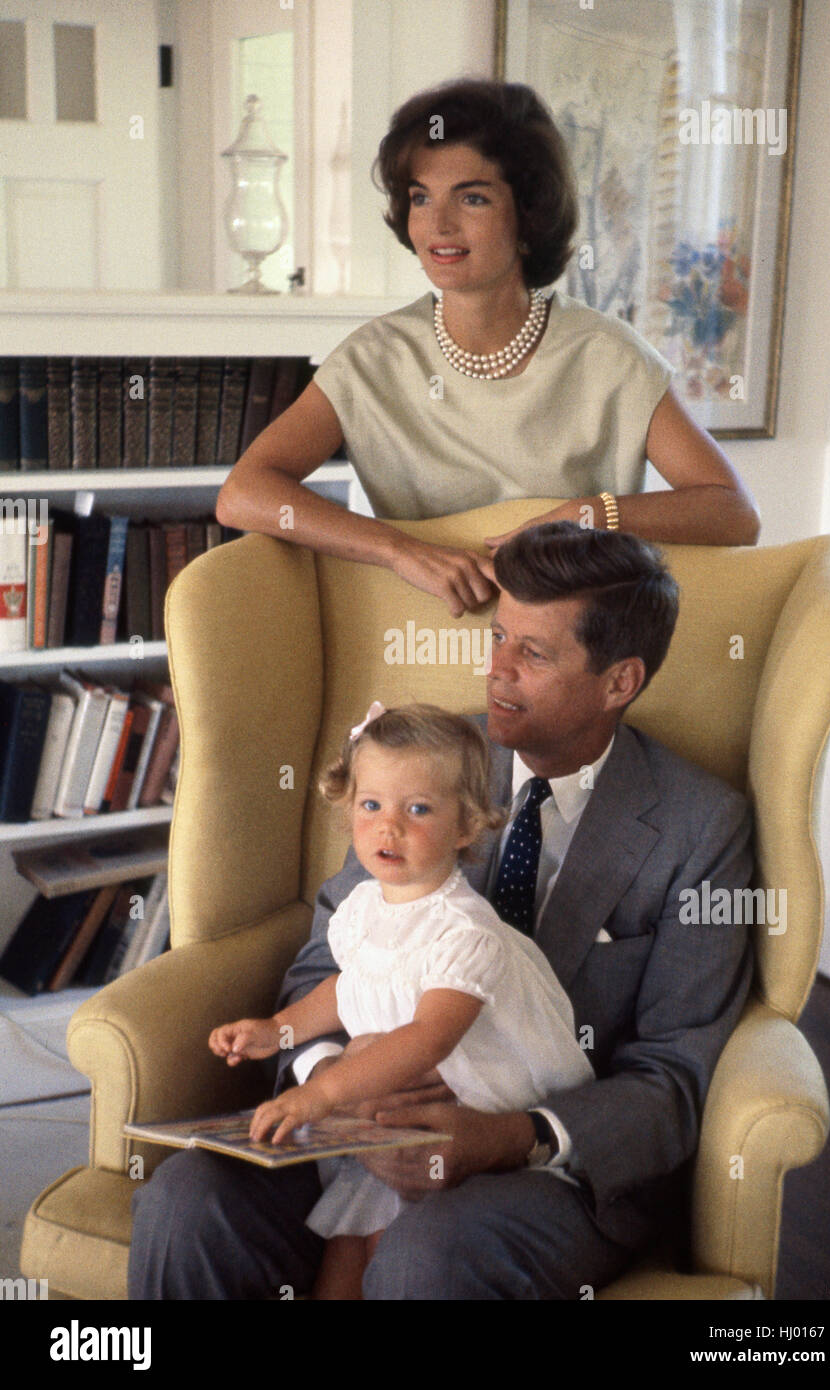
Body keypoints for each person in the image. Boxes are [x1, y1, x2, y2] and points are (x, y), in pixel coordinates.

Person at [129, 523, 754, 1300]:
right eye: (498, 638)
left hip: (542, 1166)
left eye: (532, 653)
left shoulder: (702, 826)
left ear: (618, 681)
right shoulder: (425, 759)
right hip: (357, 1124)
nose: (495, 672)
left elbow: (672, 1076)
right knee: (188, 1200)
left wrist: (507, 1138)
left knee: (427, 1253)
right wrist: (341, 1084)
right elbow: (330, 963)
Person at [215, 78, 760, 620]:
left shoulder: (607, 357)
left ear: (528, 215)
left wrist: (589, 515)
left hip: (571, 657)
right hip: (423, 639)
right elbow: (243, 492)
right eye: (420, 197)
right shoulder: (371, 361)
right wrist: (400, 551)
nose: (439, 224)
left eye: (472, 197)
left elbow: (733, 512)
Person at [207, 702, 593, 1299]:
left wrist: (322, 1093)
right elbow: (351, 986)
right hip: (394, 1123)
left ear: (466, 827)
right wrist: (278, 1030)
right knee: (344, 1248)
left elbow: (428, 1037)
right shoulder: (364, 907)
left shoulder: (466, 933)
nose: (389, 828)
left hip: (474, 1122)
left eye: (418, 810)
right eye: (371, 805)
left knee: (393, 1253)